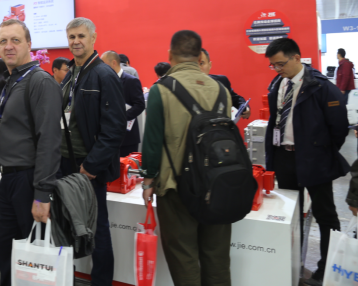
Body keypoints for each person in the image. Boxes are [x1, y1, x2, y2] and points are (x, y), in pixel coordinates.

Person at [141, 30, 233, 286]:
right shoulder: (221, 90)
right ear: (200, 56)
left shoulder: (161, 90)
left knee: (183, 258)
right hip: (217, 184)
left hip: (176, 187)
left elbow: (152, 142)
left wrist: (148, 181)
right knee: (217, 258)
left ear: (170, 55)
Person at [264, 38, 349, 286]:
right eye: (273, 65)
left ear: (297, 58)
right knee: (290, 215)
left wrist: (321, 151)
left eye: (280, 64)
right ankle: (292, 264)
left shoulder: (320, 87)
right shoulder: (278, 84)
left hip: (315, 159)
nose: (277, 69)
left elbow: (339, 127)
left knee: (325, 215)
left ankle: (326, 269)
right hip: (284, 158)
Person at [0, 19, 62, 286]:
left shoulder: (40, 81)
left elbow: (49, 140)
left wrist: (42, 193)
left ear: (29, 44)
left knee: (33, 258)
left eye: (15, 40)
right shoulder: (13, 80)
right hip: (9, 179)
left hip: (29, 180)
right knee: (6, 250)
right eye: (3, 41)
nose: (8, 46)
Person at [59, 18, 127, 286]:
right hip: (65, 161)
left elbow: (115, 128)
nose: (76, 41)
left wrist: (92, 165)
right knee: (66, 224)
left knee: (97, 228)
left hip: (86, 166)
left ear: (93, 38)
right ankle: (64, 278)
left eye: (81, 36)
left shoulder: (103, 75)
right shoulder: (72, 73)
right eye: (71, 37)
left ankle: (101, 281)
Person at [101, 50, 145, 157]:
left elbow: (139, 105)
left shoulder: (131, 81)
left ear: (114, 63)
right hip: (108, 135)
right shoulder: (104, 81)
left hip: (127, 136)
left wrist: (121, 117)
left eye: (104, 65)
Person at [200, 48, 251, 119]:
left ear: (210, 65)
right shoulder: (185, 86)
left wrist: (245, 107)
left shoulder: (221, 81)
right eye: (194, 64)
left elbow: (236, 99)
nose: (198, 68)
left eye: (201, 63)